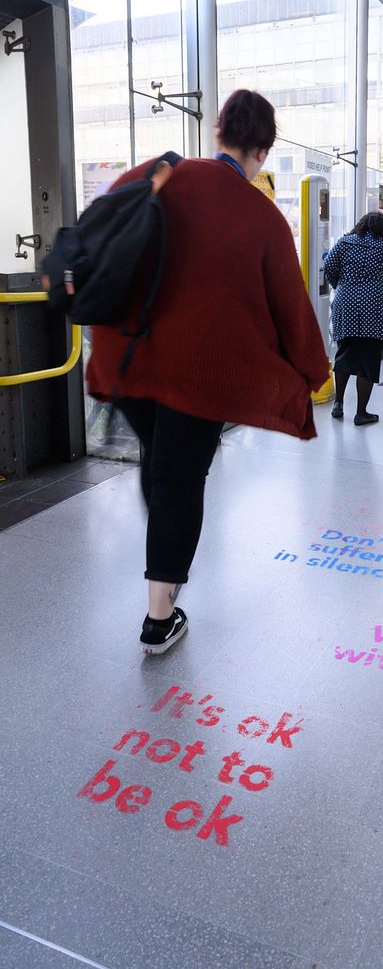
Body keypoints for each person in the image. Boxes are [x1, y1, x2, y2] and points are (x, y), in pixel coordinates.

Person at [85, 89, 329, 655]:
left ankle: (161, 561)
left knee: (162, 463)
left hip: (128, 360)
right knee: (179, 479)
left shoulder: (156, 175)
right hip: (199, 374)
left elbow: (100, 230)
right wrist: (313, 370)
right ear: (263, 151)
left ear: (218, 132)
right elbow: (289, 307)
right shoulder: (260, 215)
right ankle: (158, 616)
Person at [323, 211, 383, 426]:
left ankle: (338, 404)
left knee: (345, 352)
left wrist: (342, 285)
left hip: (346, 302)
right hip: (374, 306)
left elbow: (329, 266)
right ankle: (361, 413)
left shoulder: (345, 242)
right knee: (368, 360)